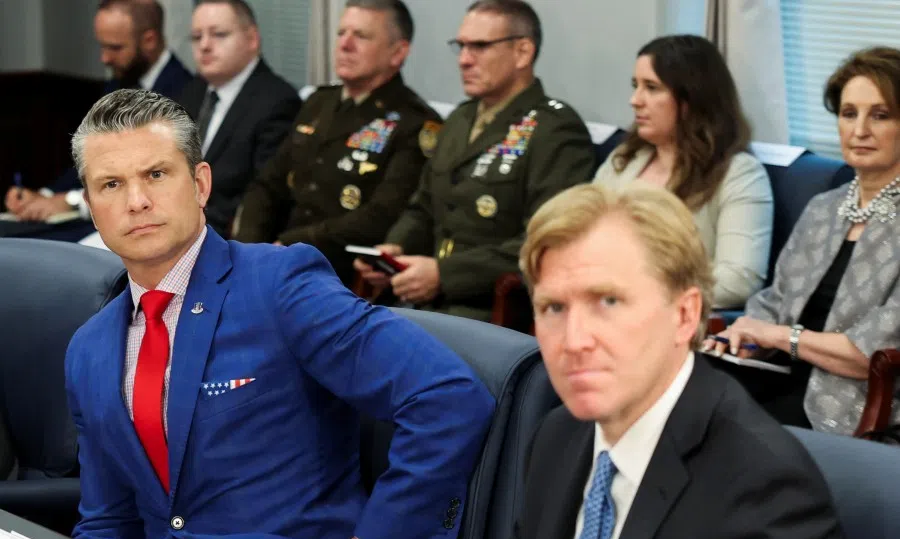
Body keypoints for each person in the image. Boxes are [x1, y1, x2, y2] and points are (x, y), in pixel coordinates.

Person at [65, 89, 494, 539]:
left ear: (200, 184)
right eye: (111, 184)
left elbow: (448, 395)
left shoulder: (280, 285)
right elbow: (107, 521)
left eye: (156, 175)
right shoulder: (90, 348)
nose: (136, 201)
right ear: (91, 208)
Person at [495, 182, 850, 539]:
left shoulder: (765, 486)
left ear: (685, 315)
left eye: (608, 302)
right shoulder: (557, 436)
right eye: (553, 308)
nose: (574, 340)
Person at [355, 0, 595, 322]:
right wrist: (392, 252)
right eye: (461, 46)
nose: (465, 60)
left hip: (490, 313)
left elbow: (546, 243)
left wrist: (444, 274)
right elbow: (423, 207)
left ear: (522, 52)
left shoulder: (555, 129)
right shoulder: (459, 119)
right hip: (421, 304)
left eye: (480, 47)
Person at [706, 47, 900, 435]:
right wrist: (743, 337)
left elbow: (872, 351)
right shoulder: (823, 208)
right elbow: (775, 301)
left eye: (880, 115)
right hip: (775, 381)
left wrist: (778, 336)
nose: (859, 130)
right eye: (848, 114)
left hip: (849, 407)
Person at [233, 0, 441, 287]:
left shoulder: (414, 122)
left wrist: (293, 244)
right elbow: (268, 185)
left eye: (361, 36)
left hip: (337, 273)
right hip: (275, 259)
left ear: (398, 52)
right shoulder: (319, 103)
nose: (345, 44)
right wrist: (250, 250)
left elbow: (382, 216)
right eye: (342, 33)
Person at [593, 34, 772, 309]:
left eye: (651, 88)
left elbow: (739, 281)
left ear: (691, 99)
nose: (635, 100)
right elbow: (582, 232)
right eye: (635, 86)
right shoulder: (625, 159)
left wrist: (641, 290)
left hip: (665, 318)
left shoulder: (740, 174)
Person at [5, 0, 192, 223]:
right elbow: (90, 156)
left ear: (149, 41)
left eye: (115, 48)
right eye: (102, 47)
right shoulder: (116, 85)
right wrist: (43, 196)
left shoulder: (186, 93)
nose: (104, 58)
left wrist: (71, 200)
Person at [178, 0, 301, 237]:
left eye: (219, 34)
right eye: (196, 37)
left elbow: (261, 200)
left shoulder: (277, 102)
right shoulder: (194, 91)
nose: (204, 45)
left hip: (222, 239)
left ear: (252, 39)